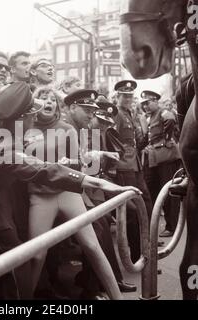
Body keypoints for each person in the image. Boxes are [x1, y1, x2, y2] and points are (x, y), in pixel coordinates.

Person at [0, 81, 141, 300]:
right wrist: (98, 183)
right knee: (16, 264)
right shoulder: (1, 142)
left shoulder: (3, 123)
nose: (35, 116)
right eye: (32, 114)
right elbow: (43, 169)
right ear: (22, 118)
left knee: (11, 263)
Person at [63, 91, 136, 298]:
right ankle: (94, 287)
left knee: (103, 222)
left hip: (82, 186)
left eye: (92, 111)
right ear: (71, 108)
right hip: (62, 190)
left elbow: (84, 161)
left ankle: (105, 281)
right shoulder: (65, 129)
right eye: (86, 110)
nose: (91, 115)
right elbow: (74, 164)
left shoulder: (82, 129)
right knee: (99, 224)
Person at [114, 80, 153, 262]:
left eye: (130, 95)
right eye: (125, 96)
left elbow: (138, 140)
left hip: (135, 165)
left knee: (145, 205)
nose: (129, 98)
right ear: (117, 97)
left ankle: (145, 254)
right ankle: (137, 257)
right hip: (124, 167)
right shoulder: (116, 114)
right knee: (132, 212)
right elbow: (112, 140)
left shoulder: (130, 113)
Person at [140, 90, 181, 237]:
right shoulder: (150, 117)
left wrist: (166, 137)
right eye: (143, 104)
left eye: (148, 103)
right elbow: (147, 137)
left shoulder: (163, 112)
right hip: (156, 158)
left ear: (156, 101)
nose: (145, 106)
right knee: (156, 191)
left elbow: (170, 120)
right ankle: (163, 225)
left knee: (169, 193)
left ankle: (172, 226)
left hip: (166, 157)